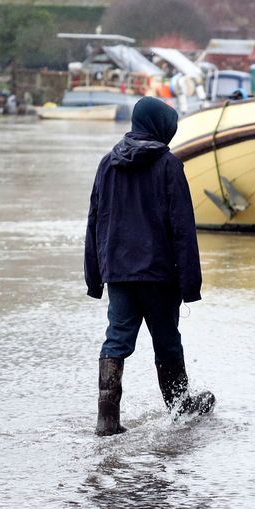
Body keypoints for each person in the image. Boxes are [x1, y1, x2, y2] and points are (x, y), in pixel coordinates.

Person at [85, 97, 216, 436]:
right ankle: (179, 408)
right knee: (167, 342)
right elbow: (182, 228)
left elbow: (95, 222)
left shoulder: (107, 164)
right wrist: (190, 285)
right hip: (160, 274)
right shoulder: (169, 166)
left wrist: (95, 277)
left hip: (119, 273)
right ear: (161, 126)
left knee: (116, 339)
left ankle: (106, 419)